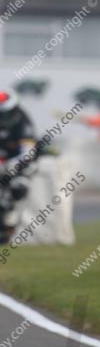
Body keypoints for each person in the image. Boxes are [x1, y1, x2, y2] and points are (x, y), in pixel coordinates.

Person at [0, 91, 37, 238]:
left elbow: (28, 149)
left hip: (17, 162)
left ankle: (11, 219)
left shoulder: (22, 121)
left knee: (19, 187)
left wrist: (13, 163)